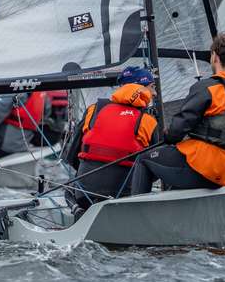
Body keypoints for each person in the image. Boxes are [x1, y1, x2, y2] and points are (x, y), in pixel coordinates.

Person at [130, 32, 225, 195]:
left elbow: (178, 129)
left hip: (200, 168)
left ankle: (135, 209)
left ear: (214, 56)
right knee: (176, 157)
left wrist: (168, 136)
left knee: (143, 159)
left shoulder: (209, 87)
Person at [62, 66, 158, 211]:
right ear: (140, 88)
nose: (155, 93)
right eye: (152, 87)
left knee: (70, 188)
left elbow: (72, 156)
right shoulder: (148, 121)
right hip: (126, 198)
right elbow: (153, 171)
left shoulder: (94, 110)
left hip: (85, 195)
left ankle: (78, 211)